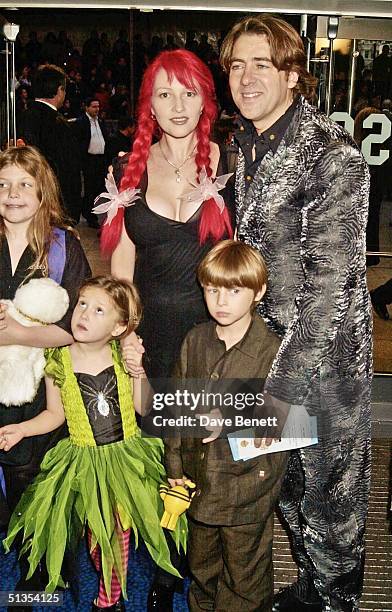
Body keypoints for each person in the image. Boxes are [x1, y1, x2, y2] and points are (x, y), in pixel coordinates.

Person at [219, 15, 372, 612]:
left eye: (262, 64)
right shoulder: (246, 146)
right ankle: (310, 587)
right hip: (262, 353)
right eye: (236, 65)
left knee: (331, 506)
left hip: (322, 369)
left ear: (291, 73)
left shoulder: (331, 158)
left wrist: (277, 393)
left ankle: (336, 602)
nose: (246, 77)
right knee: (285, 492)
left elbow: (330, 293)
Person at [104, 48, 233, 611]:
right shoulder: (125, 168)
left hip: (212, 333)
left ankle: (197, 563)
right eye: (164, 94)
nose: (177, 105)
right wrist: (126, 331)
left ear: (206, 97)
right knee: (160, 453)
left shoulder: (231, 160)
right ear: (148, 105)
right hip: (151, 333)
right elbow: (121, 270)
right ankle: (162, 568)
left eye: (188, 92)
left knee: (205, 453)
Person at [1, 276, 186, 612]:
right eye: (82, 303)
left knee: (118, 533)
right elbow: (55, 414)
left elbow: (145, 407)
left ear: (118, 328)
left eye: (99, 310)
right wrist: (22, 430)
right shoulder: (58, 361)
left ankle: (108, 600)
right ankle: (107, 587)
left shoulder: (122, 355)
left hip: (126, 462)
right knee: (97, 539)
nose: (84, 314)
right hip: (84, 464)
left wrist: (139, 373)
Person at [164, 239, 288, 611]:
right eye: (212, 290)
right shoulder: (195, 341)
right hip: (199, 484)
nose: (221, 302)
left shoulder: (274, 351)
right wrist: (174, 467)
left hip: (248, 488)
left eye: (234, 291)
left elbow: (293, 421)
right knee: (201, 568)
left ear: (258, 291)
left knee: (244, 575)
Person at [0, 145, 91, 605]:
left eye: (24, 185)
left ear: (42, 192)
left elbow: (80, 325)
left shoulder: (62, 246)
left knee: (32, 475)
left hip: (44, 386)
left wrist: (17, 333)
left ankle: (42, 567)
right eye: (3, 184)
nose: (12, 194)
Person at [17, 64, 83, 225]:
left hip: (22, 205)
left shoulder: (19, 118)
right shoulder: (59, 125)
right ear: (60, 90)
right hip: (53, 209)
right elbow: (69, 173)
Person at [76, 97, 108, 229]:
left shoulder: (100, 121)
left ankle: (96, 213)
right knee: (90, 189)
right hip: (88, 159)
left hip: (100, 159)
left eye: (98, 107)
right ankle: (89, 216)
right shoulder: (81, 122)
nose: (97, 109)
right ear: (87, 107)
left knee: (98, 188)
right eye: (94, 107)